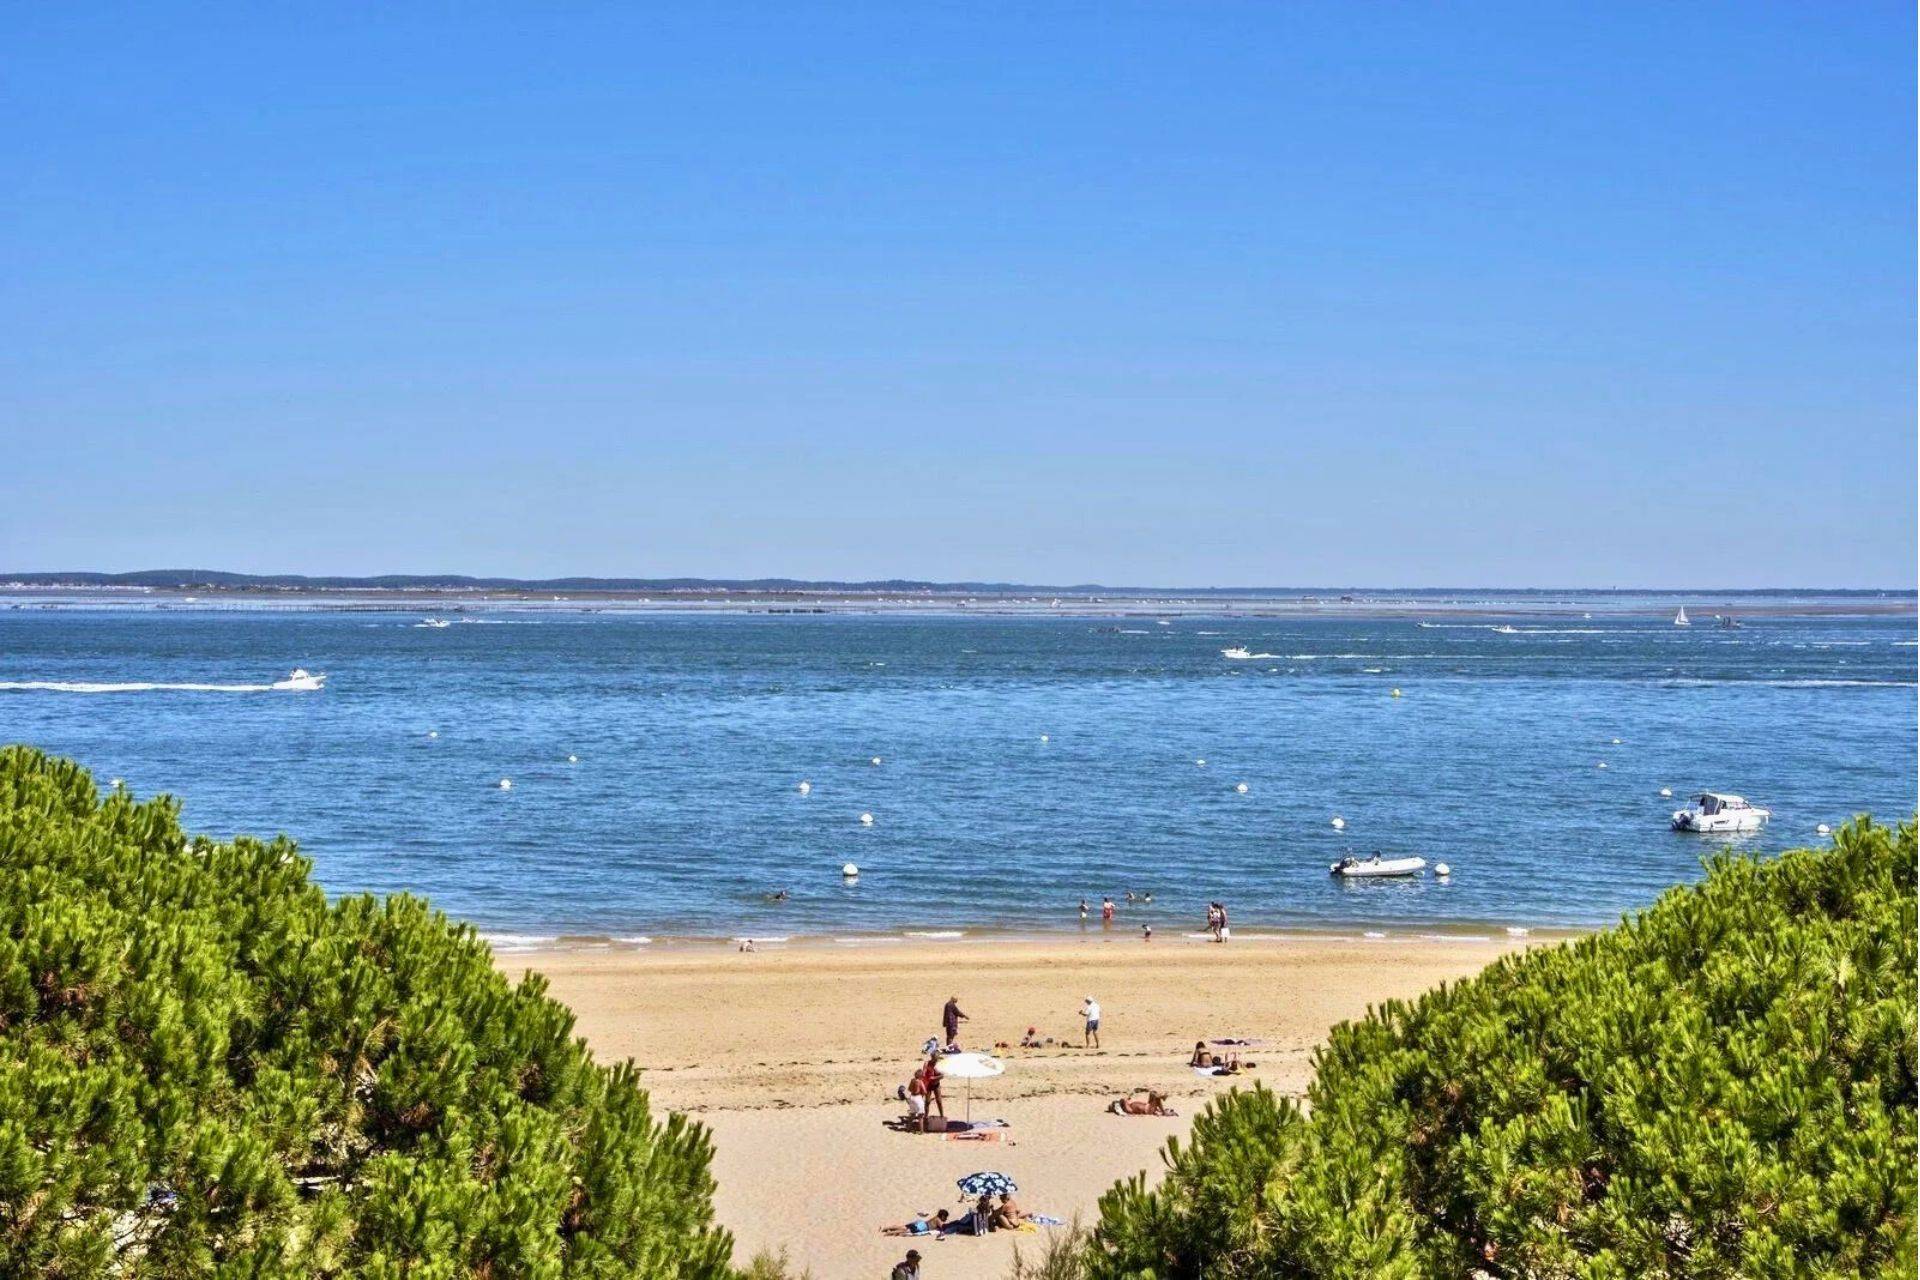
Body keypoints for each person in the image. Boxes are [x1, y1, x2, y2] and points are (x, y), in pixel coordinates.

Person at [880, 1209, 949, 1237]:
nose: (946, 1219)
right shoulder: (938, 1220)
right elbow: (942, 1227)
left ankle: (885, 1228)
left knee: (903, 1227)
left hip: (920, 1223)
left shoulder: (935, 1217)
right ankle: (889, 1233)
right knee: (905, 1230)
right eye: (945, 1217)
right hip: (922, 1227)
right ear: (942, 1216)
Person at [1109, 1090, 1174, 1116]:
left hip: (1148, 1107)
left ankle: (1161, 1097)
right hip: (1147, 1110)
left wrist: (1128, 1098)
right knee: (1154, 1096)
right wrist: (1125, 1100)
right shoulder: (1128, 1109)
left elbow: (1125, 1100)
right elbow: (1123, 1100)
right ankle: (1161, 1097)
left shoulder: (1128, 1105)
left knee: (1153, 1094)